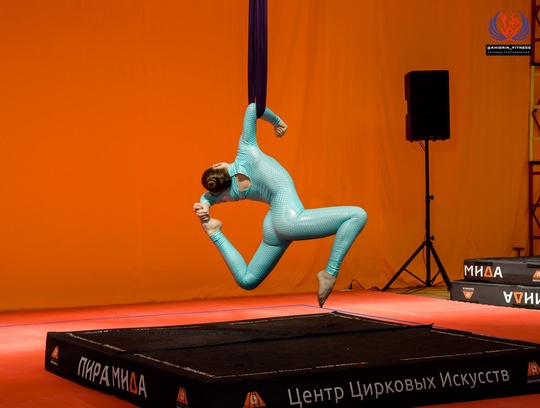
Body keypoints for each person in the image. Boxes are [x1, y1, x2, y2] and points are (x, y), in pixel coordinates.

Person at [193, 103, 367, 307]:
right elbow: (253, 108)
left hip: (274, 221)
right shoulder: (246, 151)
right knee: (357, 215)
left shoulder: (229, 193)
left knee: (247, 280)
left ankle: (215, 233)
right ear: (218, 165)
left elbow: (208, 196)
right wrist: (277, 122)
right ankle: (330, 272)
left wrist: (205, 205)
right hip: (287, 219)